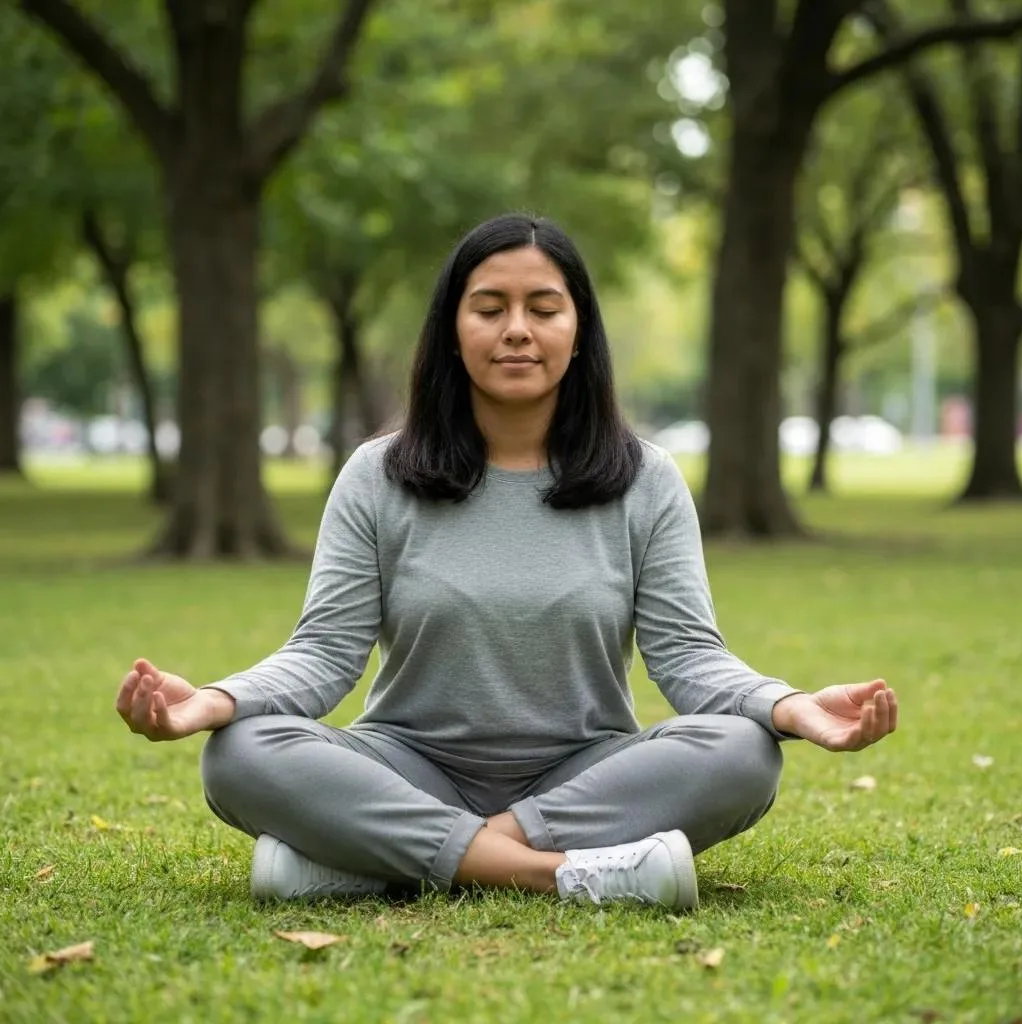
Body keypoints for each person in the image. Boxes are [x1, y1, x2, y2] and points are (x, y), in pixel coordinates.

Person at [115, 213, 898, 910]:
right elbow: (324, 654)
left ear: (579, 330)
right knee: (242, 754)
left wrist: (789, 707)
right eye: (489, 308)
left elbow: (688, 658)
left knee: (743, 752)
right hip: (407, 763)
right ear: (453, 330)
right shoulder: (375, 476)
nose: (516, 329)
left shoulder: (645, 480)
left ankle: (374, 864)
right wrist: (214, 702)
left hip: (584, 775)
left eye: (543, 308)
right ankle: (562, 875)